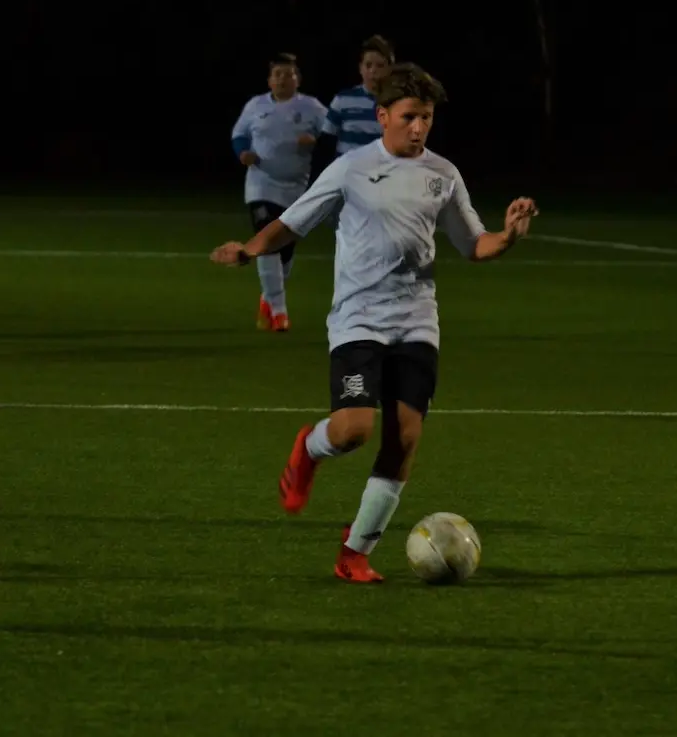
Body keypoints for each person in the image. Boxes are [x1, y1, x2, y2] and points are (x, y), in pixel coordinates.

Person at [211, 63, 538, 582]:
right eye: (409, 116)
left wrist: (510, 235)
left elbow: (475, 244)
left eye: (426, 117)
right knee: (354, 430)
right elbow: (292, 222)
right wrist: (249, 250)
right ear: (383, 115)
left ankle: (355, 553)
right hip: (358, 320)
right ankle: (309, 447)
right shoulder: (351, 168)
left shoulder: (443, 174)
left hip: (417, 324)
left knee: (404, 438)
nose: (419, 127)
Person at [230, 52, 329, 331]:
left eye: (289, 74)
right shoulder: (256, 105)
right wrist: (243, 152)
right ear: (269, 80)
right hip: (261, 183)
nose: (283, 79)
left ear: (298, 79)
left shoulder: (311, 107)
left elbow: (331, 134)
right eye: (278, 75)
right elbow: (238, 134)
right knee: (266, 239)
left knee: (284, 250)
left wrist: (315, 140)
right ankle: (279, 312)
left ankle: (268, 298)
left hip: (296, 187)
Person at [320, 35, 394, 157]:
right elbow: (327, 140)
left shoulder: (398, 103)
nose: (373, 71)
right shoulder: (342, 100)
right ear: (360, 68)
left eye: (380, 65)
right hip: (347, 168)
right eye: (368, 65)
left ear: (390, 69)